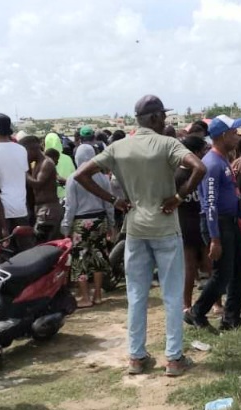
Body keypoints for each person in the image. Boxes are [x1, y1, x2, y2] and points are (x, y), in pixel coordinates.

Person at [75, 95, 206, 377]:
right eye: (164, 117)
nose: (165, 121)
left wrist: (114, 200)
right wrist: (179, 197)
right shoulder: (168, 143)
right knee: (172, 295)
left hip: (134, 227)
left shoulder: (118, 147)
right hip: (165, 225)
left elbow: (81, 175)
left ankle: (136, 357)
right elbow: (199, 167)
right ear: (156, 118)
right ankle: (173, 359)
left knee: (136, 295)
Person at [184, 114, 241, 333]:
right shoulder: (212, 164)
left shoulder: (223, 160)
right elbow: (210, 204)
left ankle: (231, 317)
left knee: (240, 271)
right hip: (219, 224)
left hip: (230, 221)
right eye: (233, 133)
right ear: (222, 136)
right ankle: (197, 312)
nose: (238, 137)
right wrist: (214, 238)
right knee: (222, 275)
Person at [62, 144, 114, 308]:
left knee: (80, 259)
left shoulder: (73, 177)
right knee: (98, 256)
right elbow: (109, 203)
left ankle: (85, 297)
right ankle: (98, 294)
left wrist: (65, 227)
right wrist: (111, 224)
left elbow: (70, 207)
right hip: (100, 220)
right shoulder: (103, 177)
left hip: (80, 222)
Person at [0, 113, 32, 250]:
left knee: (1, 250)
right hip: (19, 206)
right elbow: (23, 172)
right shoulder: (21, 150)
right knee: (24, 250)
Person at [175, 136, 211, 312]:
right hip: (199, 223)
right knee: (208, 266)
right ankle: (215, 304)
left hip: (185, 224)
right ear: (195, 153)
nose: (205, 154)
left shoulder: (176, 175)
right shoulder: (202, 172)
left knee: (190, 268)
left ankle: (186, 305)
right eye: (203, 151)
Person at [21, 136, 63, 242]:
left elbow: (38, 184)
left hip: (48, 211)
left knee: (44, 244)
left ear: (32, 149)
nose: (24, 156)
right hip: (43, 210)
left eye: (25, 152)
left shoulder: (46, 163)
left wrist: (23, 171)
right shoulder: (38, 163)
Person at [45, 132, 76, 199]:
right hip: (67, 195)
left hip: (50, 197)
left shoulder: (43, 160)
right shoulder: (68, 158)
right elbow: (74, 176)